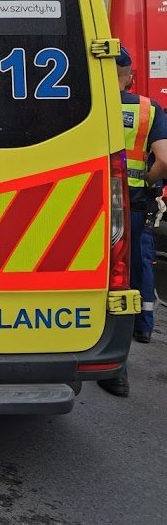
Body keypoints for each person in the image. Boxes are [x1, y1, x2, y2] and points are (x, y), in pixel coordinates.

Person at [99, 46, 167, 397]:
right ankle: (123, 357)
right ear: (129, 76)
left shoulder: (88, 105)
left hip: (89, 203)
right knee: (127, 275)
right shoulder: (146, 109)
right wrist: (149, 181)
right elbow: (165, 159)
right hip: (133, 203)